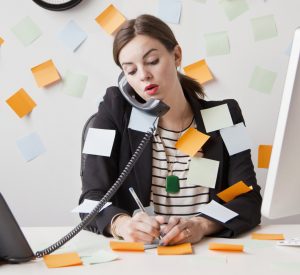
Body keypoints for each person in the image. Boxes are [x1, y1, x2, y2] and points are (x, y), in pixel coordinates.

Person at [79, 14, 262, 246]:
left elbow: (248, 197)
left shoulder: (224, 115)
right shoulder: (113, 111)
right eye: (131, 70)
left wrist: (202, 225)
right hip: (140, 257)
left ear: (176, 55)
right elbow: (90, 199)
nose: (143, 75)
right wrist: (122, 224)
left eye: (152, 61)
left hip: (206, 253)